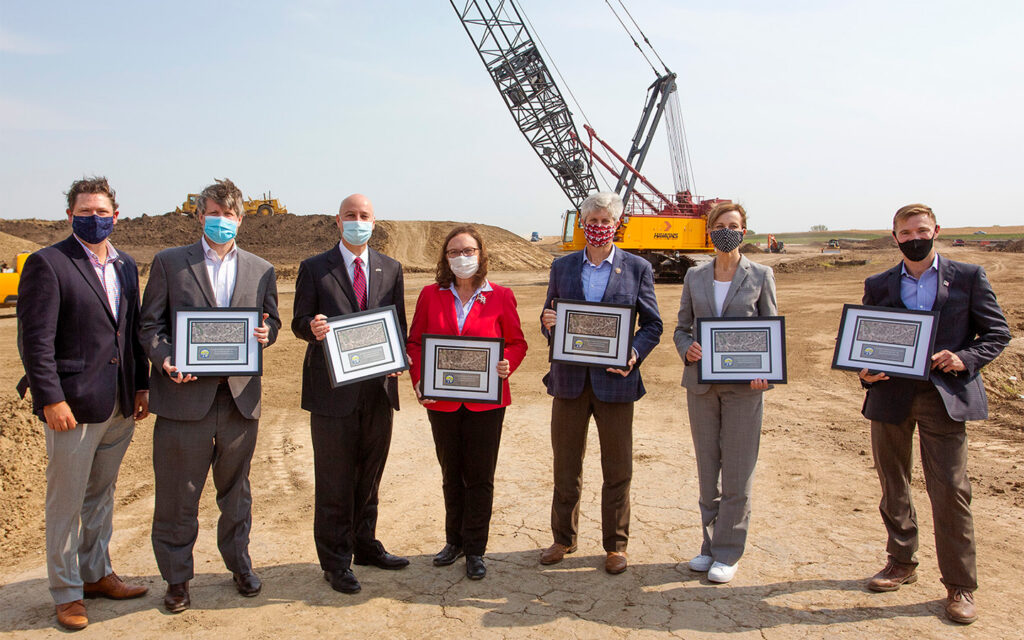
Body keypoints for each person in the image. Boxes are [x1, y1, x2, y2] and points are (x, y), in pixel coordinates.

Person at [858, 203, 1009, 625]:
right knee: (893, 482)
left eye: (921, 230)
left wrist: (964, 357)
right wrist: (864, 371)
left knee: (951, 490)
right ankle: (901, 561)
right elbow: (865, 338)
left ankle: (960, 585)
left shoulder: (968, 277)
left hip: (944, 396)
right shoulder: (879, 283)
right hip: (890, 397)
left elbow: (997, 333)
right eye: (905, 234)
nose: (914, 239)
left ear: (936, 230)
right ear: (895, 238)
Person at [139, 178, 280, 613]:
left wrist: (266, 332)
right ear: (200, 216)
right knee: (178, 494)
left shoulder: (261, 269)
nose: (222, 221)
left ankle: (239, 564)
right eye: (214, 213)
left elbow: (272, 320)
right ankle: (177, 579)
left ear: (241, 219)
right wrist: (164, 360)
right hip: (185, 399)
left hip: (238, 399)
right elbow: (150, 327)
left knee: (236, 492)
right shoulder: (168, 263)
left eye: (230, 214)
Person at [16, 177, 149, 631]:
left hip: (118, 404)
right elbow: (35, 342)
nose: (94, 219)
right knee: (66, 502)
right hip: (72, 407)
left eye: (102, 211)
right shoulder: (47, 263)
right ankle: (67, 592)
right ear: (69, 215)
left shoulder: (127, 266)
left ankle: (95, 574)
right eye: (85, 212)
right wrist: (50, 398)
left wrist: (141, 385)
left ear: (117, 214)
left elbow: (130, 334)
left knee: (100, 496)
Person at [538, 191, 662, 575]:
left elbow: (653, 325)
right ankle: (563, 538)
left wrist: (634, 354)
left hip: (615, 383)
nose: (598, 228)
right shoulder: (563, 267)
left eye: (605, 221)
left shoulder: (638, 268)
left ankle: (616, 545)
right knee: (565, 465)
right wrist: (548, 325)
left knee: (618, 467)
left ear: (617, 225)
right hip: (570, 383)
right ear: (582, 223)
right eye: (592, 222)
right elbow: (551, 316)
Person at [292, 193, 408, 594]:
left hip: (378, 391)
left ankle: (365, 544)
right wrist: (314, 327)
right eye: (350, 215)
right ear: (337, 222)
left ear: (374, 222)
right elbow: (298, 321)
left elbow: (398, 326)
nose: (358, 221)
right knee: (334, 479)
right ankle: (335, 560)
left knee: (370, 475)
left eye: (365, 215)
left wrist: (399, 358)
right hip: (331, 392)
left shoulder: (390, 268)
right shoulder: (313, 268)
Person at [406, 226, 528, 580]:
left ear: (481, 254)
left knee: (480, 476)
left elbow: (517, 343)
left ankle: (475, 549)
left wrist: (507, 362)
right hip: (442, 402)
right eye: (455, 252)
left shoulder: (501, 295)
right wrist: (419, 381)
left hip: (486, 403)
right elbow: (415, 343)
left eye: (469, 251)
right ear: (445, 258)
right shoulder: (430, 295)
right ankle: (453, 541)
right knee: (450, 474)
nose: (463, 258)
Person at [672, 202, 777, 584]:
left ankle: (729, 551)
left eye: (733, 225)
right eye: (720, 225)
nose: (726, 231)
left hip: (744, 389)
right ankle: (709, 546)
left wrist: (766, 372)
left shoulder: (761, 274)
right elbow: (682, 327)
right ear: (709, 230)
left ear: (744, 231)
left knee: (737, 470)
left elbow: (771, 330)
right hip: (701, 385)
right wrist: (688, 349)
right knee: (707, 470)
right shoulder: (695, 276)